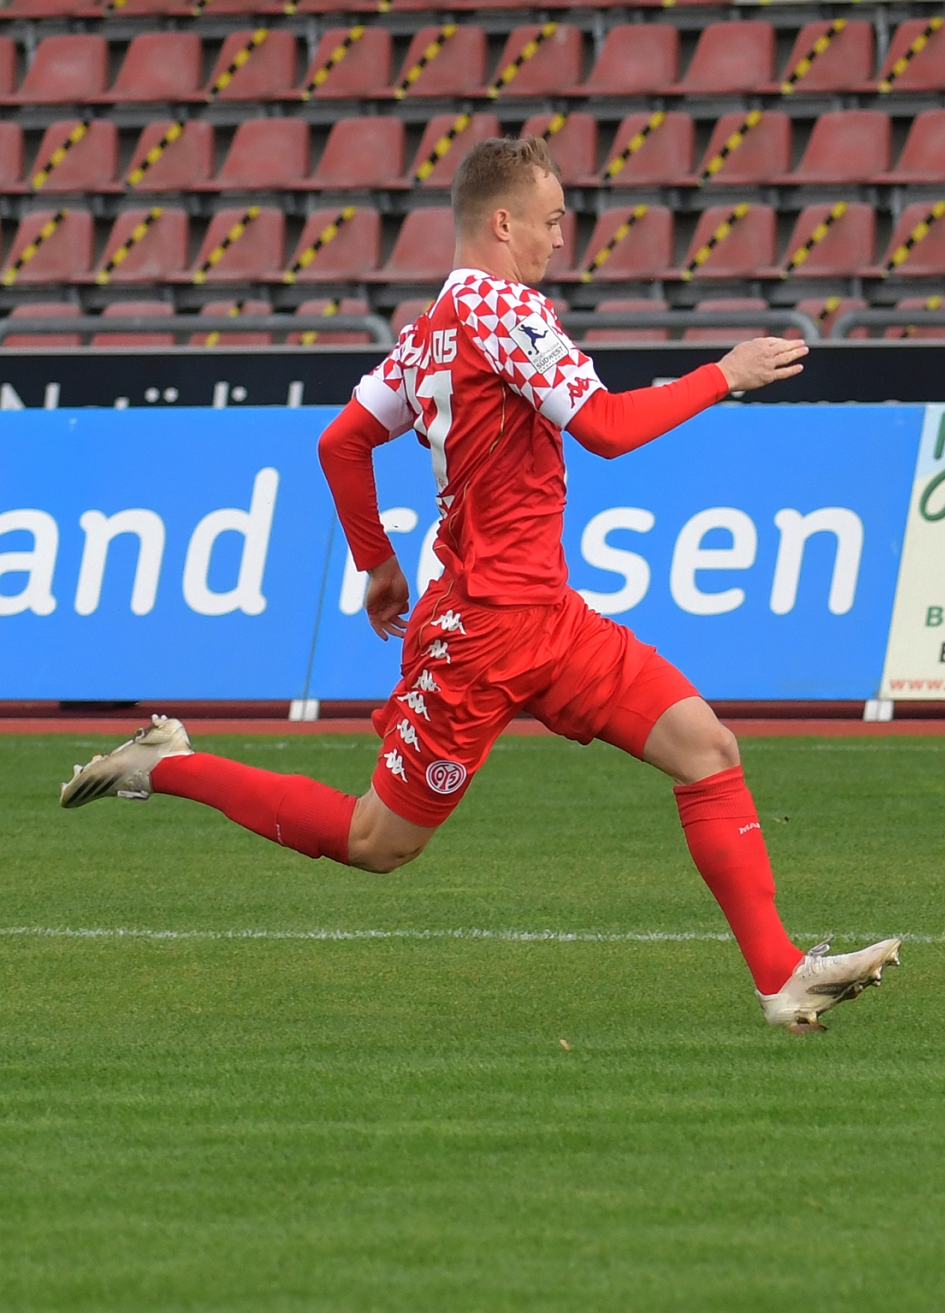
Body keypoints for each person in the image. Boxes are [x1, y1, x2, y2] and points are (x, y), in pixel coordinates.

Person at [59, 138, 899, 1032]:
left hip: (550, 618)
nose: (560, 240)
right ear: (502, 223)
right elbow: (607, 428)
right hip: (485, 632)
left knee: (707, 747)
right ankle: (169, 764)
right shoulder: (505, 311)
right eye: (551, 220)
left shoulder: (425, 336)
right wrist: (721, 376)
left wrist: (376, 563)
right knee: (377, 842)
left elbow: (341, 442)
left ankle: (780, 976)